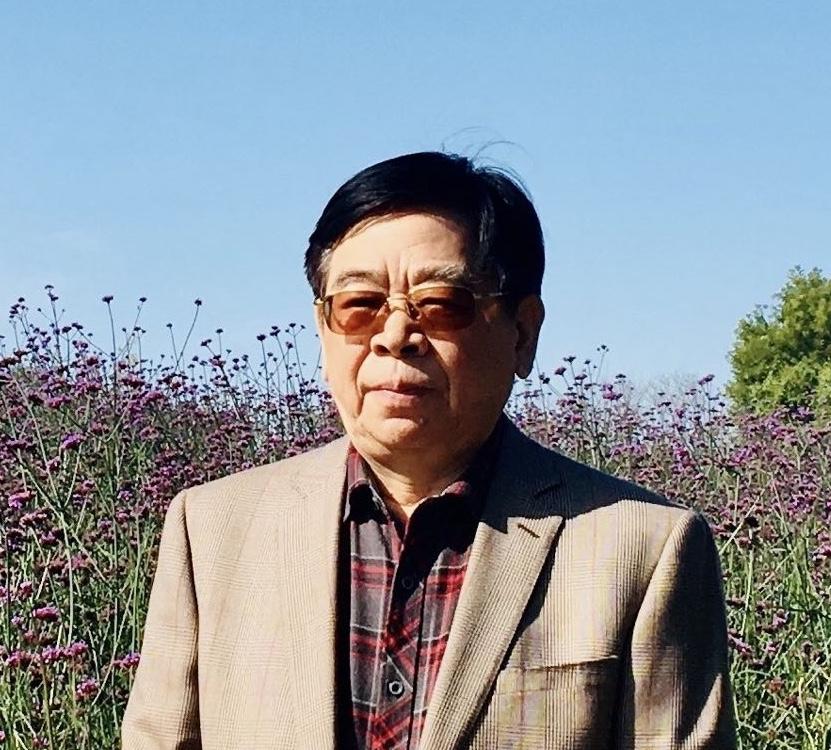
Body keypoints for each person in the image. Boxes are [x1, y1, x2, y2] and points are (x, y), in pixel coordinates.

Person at [122, 151, 737, 749]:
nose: (395, 335)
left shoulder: (643, 547)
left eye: (442, 305)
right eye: (359, 306)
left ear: (523, 333)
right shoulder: (213, 531)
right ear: (322, 328)